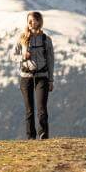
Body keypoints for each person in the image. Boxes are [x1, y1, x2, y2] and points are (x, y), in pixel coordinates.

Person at [17, 11, 55, 139]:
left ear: (40, 22)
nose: (32, 23)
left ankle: (43, 136)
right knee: (29, 110)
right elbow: (11, 56)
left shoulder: (46, 40)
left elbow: (50, 60)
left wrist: (51, 80)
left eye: (34, 20)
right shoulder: (22, 39)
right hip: (26, 77)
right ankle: (30, 138)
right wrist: (22, 56)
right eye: (30, 20)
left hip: (42, 76)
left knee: (42, 109)